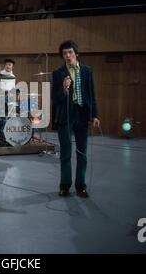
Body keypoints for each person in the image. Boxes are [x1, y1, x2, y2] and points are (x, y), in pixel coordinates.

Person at [52, 40, 100, 198]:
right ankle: (65, 186)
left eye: (70, 52)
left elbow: (91, 94)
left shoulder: (87, 70)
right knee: (66, 153)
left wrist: (95, 115)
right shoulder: (58, 73)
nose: (67, 55)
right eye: (65, 53)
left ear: (76, 54)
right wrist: (63, 89)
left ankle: (81, 186)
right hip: (65, 115)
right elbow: (55, 98)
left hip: (81, 114)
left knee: (82, 153)